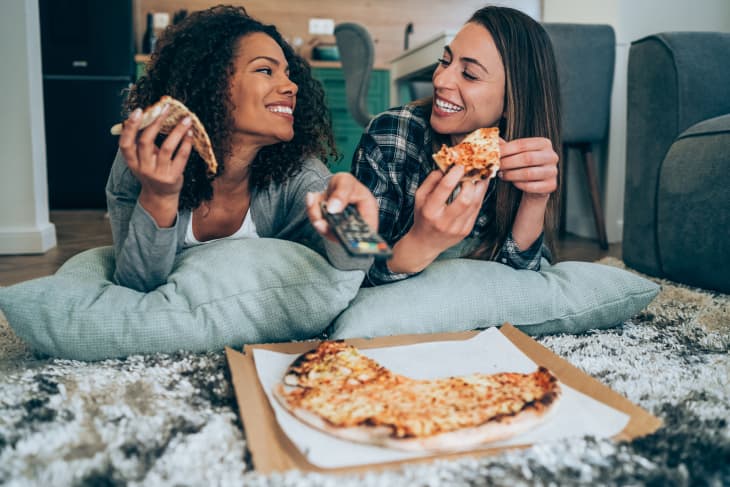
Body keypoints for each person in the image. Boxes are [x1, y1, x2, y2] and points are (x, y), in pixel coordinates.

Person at [107, 5, 377, 292]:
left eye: (288, 74)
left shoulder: (302, 175)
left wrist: (357, 229)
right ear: (210, 82)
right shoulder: (143, 163)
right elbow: (135, 285)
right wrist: (159, 197)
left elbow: (361, 259)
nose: (291, 86)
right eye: (265, 70)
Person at [352, 6, 561, 286]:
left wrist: (535, 199)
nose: (440, 80)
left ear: (512, 103)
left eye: (470, 75)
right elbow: (354, 266)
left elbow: (520, 284)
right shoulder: (390, 133)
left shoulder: (520, 156)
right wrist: (420, 241)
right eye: (444, 61)